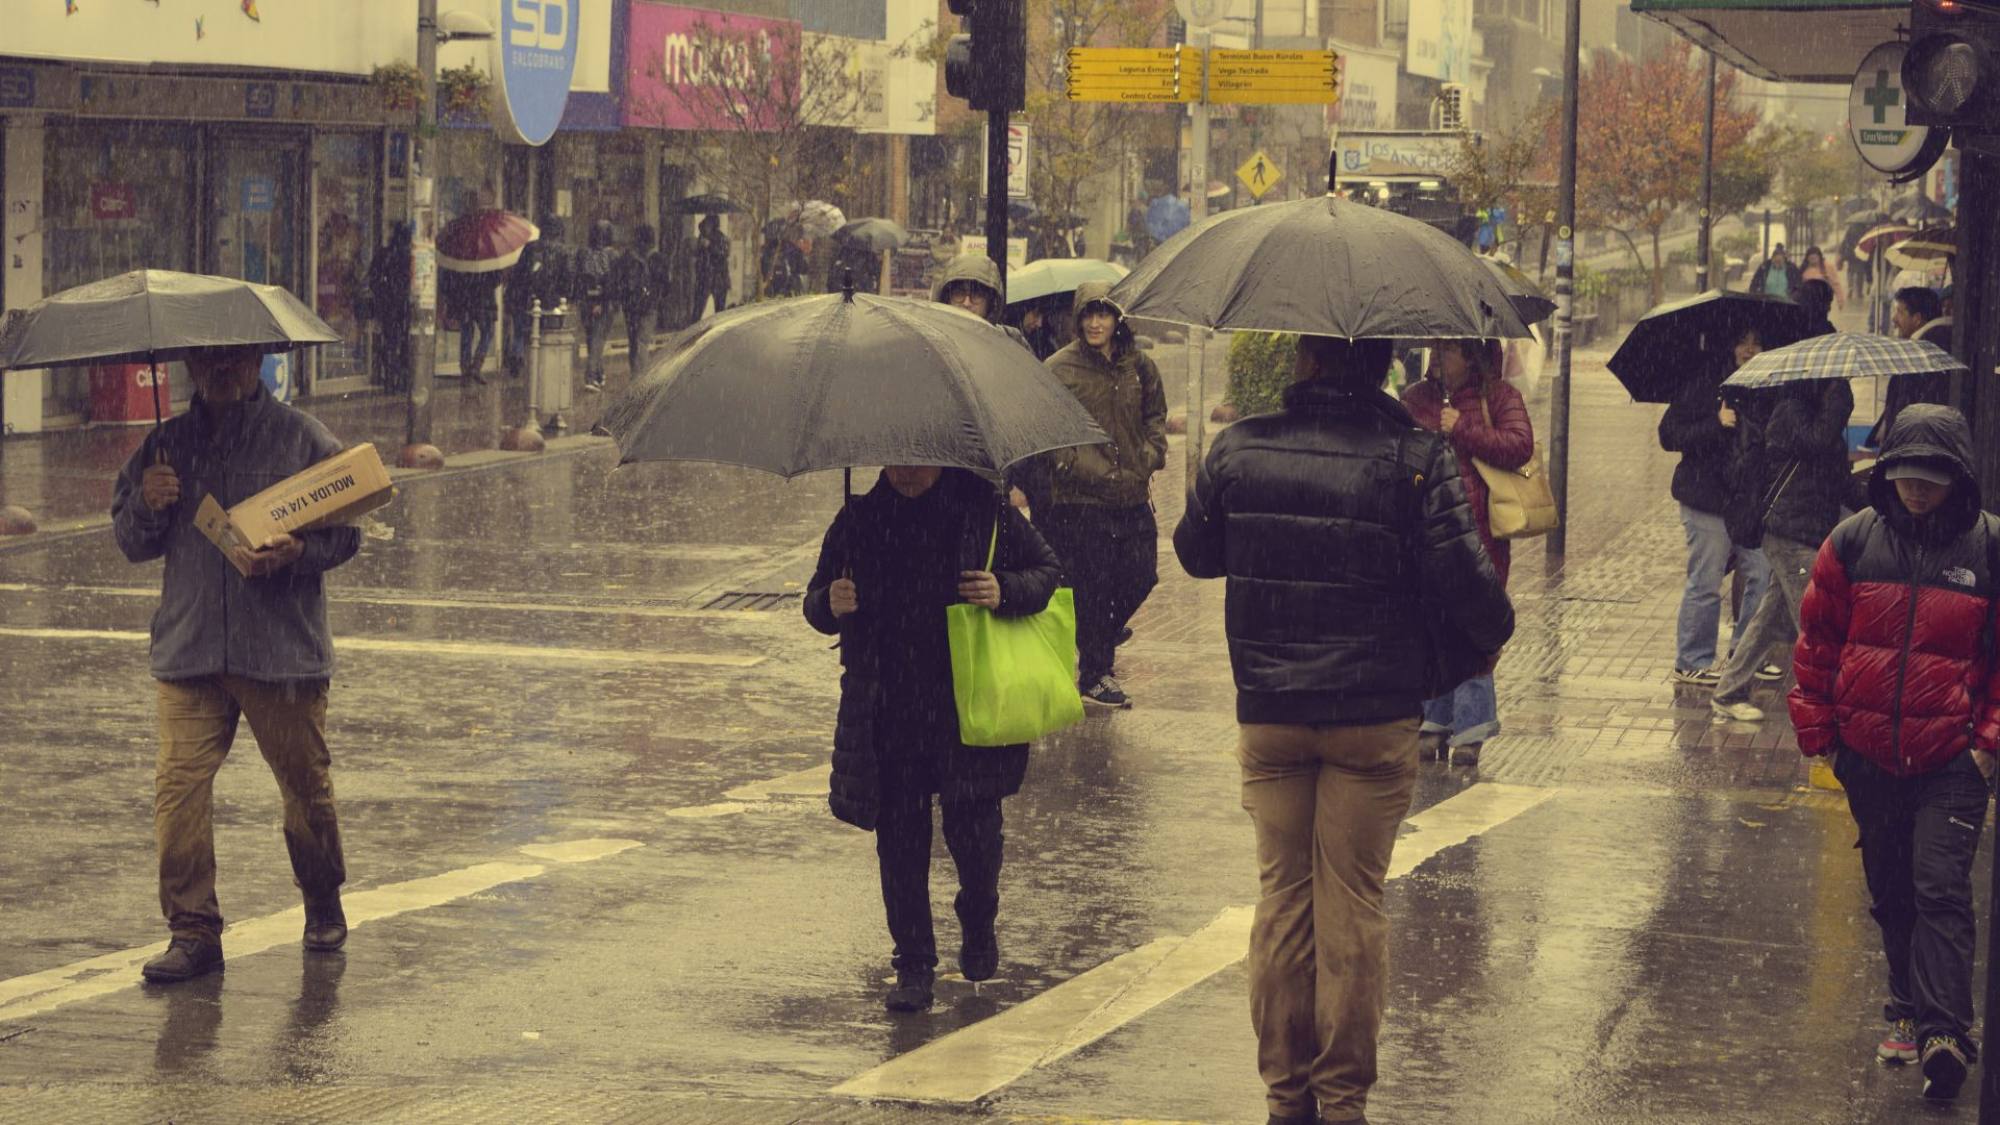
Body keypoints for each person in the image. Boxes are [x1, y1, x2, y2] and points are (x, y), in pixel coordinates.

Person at [1174, 334, 1514, 1125]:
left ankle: (1285, 1096)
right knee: (1352, 905)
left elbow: (1195, 552)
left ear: (1307, 359)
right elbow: (1475, 594)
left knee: (1283, 900)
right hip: (1373, 713)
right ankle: (1342, 1099)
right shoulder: (1416, 456)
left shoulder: (1241, 447)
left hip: (1272, 710)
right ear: (1383, 363)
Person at [108, 345, 361, 984]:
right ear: (191, 365)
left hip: (280, 652)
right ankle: (193, 931)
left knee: (304, 788)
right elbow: (131, 541)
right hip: (190, 647)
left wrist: (297, 551)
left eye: (235, 358)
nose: (222, 370)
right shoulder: (164, 445)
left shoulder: (303, 440)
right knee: (178, 792)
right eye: (208, 359)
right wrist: (147, 503)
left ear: (258, 360)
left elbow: (348, 532)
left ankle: (322, 896)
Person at [1791, 404, 2000, 1104]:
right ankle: (1907, 1008)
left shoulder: (1989, 550)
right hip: (1868, 754)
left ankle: (1947, 1033)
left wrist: (1986, 743)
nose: (1916, 489)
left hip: (1952, 761)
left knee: (1940, 887)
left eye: (1931, 478)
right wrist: (1822, 735)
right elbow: (1817, 641)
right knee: (1891, 889)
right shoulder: (1852, 542)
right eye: (1906, 474)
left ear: (1957, 477)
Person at [803, 466, 1062, 1013]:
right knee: (900, 843)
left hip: (966, 703)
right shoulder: (858, 518)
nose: (906, 469)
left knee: (976, 837)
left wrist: (1004, 589)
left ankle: (978, 918)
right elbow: (815, 605)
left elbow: (1046, 572)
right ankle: (913, 965)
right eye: (896, 458)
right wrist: (830, 601)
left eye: (917, 459)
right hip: (888, 709)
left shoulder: (984, 509)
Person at [1400, 339, 1534, 767]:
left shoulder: (1499, 397)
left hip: (1480, 534)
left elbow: (1520, 445)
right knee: (1432, 625)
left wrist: (1462, 429)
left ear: (1473, 355)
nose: (1437, 356)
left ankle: (1472, 728)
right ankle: (1433, 721)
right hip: (1427, 531)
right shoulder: (1415, 399)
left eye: (1450, 349)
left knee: (1476, 628)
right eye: (1435, 348)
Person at [1039, 282, 1168, 709]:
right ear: (1077, 320)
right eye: (1088, 315)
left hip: (1132, 492)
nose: (1096, 323)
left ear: (1117, 319)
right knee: (1094, 586)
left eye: (1104, 314)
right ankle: (1095, 675)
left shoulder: (1139, 365)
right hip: (1081, 499)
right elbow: (1050, 433)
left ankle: (1097, 636)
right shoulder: (1060, 368)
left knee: (1141, 574)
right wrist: (1084, 469)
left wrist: (1149, 456)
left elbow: (1155, 416)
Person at [1707, 367, 1855, 723]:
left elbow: (1834, 478)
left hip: (1808, 529)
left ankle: (1728, 692)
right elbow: (1818, 442)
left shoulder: (1819, 414)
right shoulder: (1791, 411)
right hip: (1788, 531)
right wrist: (1839, 399)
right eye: (1837, 381)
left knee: (1768, 621)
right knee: (1815, 620)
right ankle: (1826, 705)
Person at [1659, 328, 1775, 685]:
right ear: (1731, 345)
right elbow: (1669, 434)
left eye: (1757, 342)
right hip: (1706, 498)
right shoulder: (1705, 383)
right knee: (1707, 581)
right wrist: (1716, 423)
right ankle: (1691, 660)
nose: (1750, 349)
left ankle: (1746, 654)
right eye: (1743, 341)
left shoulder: (1768, 388)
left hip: (1747, 500)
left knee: (1761, 574)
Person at [1871, 287, 1953, 446]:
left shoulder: (1922, 350)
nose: (1894, 319)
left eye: (1900, 312)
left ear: (1917, 318)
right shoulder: (1929, 343)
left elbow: (1907, 402)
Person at [503, 216, 568, 378]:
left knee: (520, 331)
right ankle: (536, 363)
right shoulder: (560, 250)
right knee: (541, 332)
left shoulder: (530, 247)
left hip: (523, 296)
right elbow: (562, 278)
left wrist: (511, 295)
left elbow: (518, 273)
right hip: (546, 299)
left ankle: (518, 356)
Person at [363, 222, 412, 392]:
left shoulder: (384, 254)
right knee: (404, 343)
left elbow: (373, 278)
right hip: (404, 306)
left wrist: (382, 294)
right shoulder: (408, 257)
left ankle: (390, 378)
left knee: (390, 342)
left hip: (387, 306)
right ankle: (401, 378)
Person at [573, 219, 618, 391]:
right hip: (603, 302)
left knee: (592, 338)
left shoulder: (583, 253)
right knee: (598, 340)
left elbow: (580, 278)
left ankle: (599, 373)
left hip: (585, 302)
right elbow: (611, 281)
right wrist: (601, 301)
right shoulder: (611, 255)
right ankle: (591, 377)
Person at [612, 224, 659, 377]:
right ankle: (640, 376)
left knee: (635, 341)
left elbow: (619, 280)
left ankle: (637, 374)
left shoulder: (627, 258)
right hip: (646, 305)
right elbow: (664, 283)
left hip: (632, 305)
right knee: (640, 342)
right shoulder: (655, 258)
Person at [440, 267, 501, 385]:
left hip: (465, 300)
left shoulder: (461, 259)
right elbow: (496, 279)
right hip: (483, 300)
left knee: (467, 333)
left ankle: (466, 369)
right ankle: (476, 366)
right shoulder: (487, 260)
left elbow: (448, 280)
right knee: (487, 332)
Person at [696, 213, 731, 316]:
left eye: (709, 224)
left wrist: (710, 246)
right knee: (698, 308)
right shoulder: (702, 236)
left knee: (719, 310)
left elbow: (724, 254)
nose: (706, 227)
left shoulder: (720, 238)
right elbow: (699, 257)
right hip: (704, 278)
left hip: (718, 279)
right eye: (706, 224)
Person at [1799, 245, 1846, 310]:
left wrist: (1840, 300)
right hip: (1807, 301)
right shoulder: (1804, 268)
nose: (1813, 260)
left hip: (1822, 301)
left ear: (1819, 257)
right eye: (1811, 258)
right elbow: (1798, 284)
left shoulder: (1828, 267)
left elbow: (1836, 284)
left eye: (1815, 258)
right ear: (1807, 259)